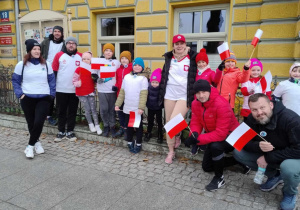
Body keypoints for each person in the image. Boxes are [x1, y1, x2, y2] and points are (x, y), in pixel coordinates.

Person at [233, 93, 300, 210]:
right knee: (238, 153)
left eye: (262, 107)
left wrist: (268, 158)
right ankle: (275, 175)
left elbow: (298, 149)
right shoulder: (251, 118)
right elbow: (239, 140)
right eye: (254, 109)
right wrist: (257, 146)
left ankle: (289, 193)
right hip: (272, 154)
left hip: (292, 155)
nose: (259, 113)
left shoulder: (291, 119)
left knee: (288, 168)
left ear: (271, 105)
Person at [184, 80, 241, 191]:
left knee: (216, 146)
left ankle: (219, 178)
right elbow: (196, 121)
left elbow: (221, 134)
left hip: (232, 136)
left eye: (204, 91)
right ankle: (238, 160)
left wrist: (197, 140)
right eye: (198, 93)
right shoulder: (195, 103)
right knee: (207, 167)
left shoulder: (221, 104)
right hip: (215, 135)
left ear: (209, 90)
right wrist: (194, 134)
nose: (201, 95)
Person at [12, 39, 56, 158]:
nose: (37, 51)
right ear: (29, 51)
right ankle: (37, 143)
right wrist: (20, 94)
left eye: (38, 49)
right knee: (31, 123)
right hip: (27, 98)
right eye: (34, 49)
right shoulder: (21, 65)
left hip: (43, 98)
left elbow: (52, 80)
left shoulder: (46, 64)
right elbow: (15, 81)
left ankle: (30, 146)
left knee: (38, 122)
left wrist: (51, 95)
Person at [159, 34, 197, 164]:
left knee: (174, 121)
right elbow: (164, 75)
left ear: (185, 44)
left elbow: (202, 69)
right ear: (173, 45)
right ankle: (171, 151)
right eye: (177, 43)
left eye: (182, 43)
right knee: (168, 122)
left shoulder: (192, 57)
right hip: (169, 94)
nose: (179, 46)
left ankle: (178, 134)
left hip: (184, 96)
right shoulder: (169, 58)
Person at [191, 48, 222, 155]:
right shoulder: (195, 73)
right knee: (196, 123)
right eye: (199, 62)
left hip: (207, 102)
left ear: (206, 62)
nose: (201, 64)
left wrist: (219, 70)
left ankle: (202, 142)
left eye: (203, 62)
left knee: (205, 124)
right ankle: (195, 143)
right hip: (196, 102)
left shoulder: (210, 72)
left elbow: (216, 80)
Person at [115, 57, 148, 153]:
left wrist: (141, 107)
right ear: (132, 66)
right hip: (127, 107)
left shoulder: (143, 79)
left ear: (142, 67)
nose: (137, 67)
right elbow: (122, 92)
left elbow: (143, 94)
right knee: (128, 126)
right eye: (135, 65)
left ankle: (138, 143)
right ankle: (130, 142)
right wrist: (118, 104)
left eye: (139, 65)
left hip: (137, 108)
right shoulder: (127, 77)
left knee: (137, 127)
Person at [52, 37, 82, 142]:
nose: (71, 45)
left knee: (72, 111)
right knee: (61, 111)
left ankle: (70, 131)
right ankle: (60, 131)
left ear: (76, 45)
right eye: (69, 43)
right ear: (66, 44)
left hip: (75, 90)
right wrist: (53, 87)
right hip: (61, 89)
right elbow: (54, 71)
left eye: (73, 43)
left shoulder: (81, 56)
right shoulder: (59, 55)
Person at [41, 26, 66, 126]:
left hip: (59, 72)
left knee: (57, 94)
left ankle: (58, 115)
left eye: (58, 31)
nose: (56, 33)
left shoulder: (64, 44)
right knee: (47, 94)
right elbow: (38, 52)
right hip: (46, 71)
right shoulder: (46, 42)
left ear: (61, 33)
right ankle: (47, 115)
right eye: (55, 31)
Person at [72, 51, 102, 135]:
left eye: (88, 59)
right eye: (84, 59)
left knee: (93, 109)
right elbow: (74, 80)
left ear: (91, 60)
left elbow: (95, 79)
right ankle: (90, 124)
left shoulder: (93, 69)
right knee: (87, 109)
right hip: (81, 92)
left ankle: (97, 125)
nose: (86, 60)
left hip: (90, 91)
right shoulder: (79, 69)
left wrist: (96, 83)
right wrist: (78, 83)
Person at [94, 43, 120, 137]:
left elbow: (120, 73)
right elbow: (93, 73)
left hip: (112, 90)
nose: (108, 52)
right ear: (103, 51)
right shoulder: (98, 61)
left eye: (110, 51)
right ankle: (106, 126)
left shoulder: (116, 62)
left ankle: (112, 126)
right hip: (102, 90)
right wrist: (97, 79)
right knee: (104, 109)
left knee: (112, 110)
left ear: (113, 53)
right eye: (106, 50)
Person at [112, 51, 132, 139]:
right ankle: (122, 128)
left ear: (129, 60)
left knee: (128, 114)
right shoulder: (118, 70)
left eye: (126, 58)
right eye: (122, 58)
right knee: (120, 113)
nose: (124, 60)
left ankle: (129, 130)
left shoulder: (131, 69)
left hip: (129, 96)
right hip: (119, 95)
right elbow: (117, 81)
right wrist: (115, 87)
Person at [144, 68, 163, 144]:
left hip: (158, 107)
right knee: (150, 121)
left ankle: (160, 134)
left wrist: (161, 104)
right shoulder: (148, 87)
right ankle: (149, 132)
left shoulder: (161, 89)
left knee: (159, 121)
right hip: (150, 107)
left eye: (156, 82)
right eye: (153, 82)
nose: (154, 84)